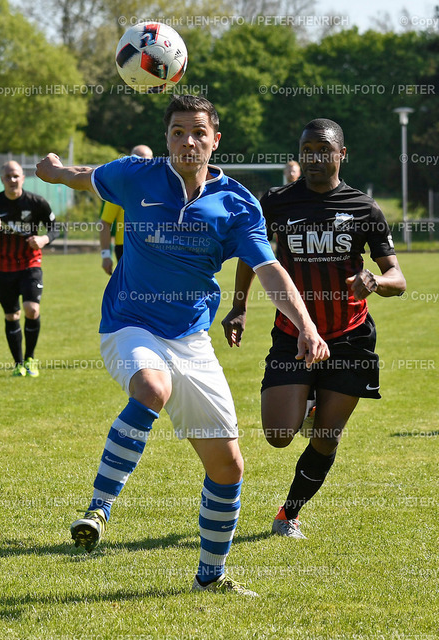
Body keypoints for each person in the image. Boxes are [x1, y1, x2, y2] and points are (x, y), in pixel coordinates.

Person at [36, 95, 329, 596]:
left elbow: (268, 270)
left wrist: (305, 323)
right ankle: (99, 508)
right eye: (177, 132)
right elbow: (88, 176)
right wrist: (57, 171)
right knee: (152, 386)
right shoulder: (138, 175)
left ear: (216, 140)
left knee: (228, 466)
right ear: (167, 138)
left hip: (192, 339)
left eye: (198, 132)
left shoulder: (236, 203)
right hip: (129, 325)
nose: (187, 141)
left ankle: (210, 578)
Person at [222, 118, 406, 539]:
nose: (314, 158)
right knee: (279, 435)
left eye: (324, 150)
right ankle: (306, 401)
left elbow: (398, 277)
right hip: (294, 334)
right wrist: (238, 308)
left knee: (325, 437)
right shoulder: (277, 202)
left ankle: (289, 514)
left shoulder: (364, 208)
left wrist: (375, 282)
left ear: (342, 155)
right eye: (307, 150)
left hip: (350, 337)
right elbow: (252, 257)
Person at [0, 161, 59, 377]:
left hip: (30, 263)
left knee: (32, 309)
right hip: (3, 267)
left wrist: (44, 239)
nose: (12, 180)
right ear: (2, 179)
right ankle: (18, 363)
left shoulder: (36, 203)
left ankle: (30, 359)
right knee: (12, 315)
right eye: (8, 176)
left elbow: (56, 228)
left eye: (16, 175)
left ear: (23, 178)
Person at [99, 144, 154, 275]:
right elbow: (105, 223)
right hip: (126, 248)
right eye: (137, 160)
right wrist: (106, 255)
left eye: (146, 160)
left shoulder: (160, 188)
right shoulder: (120, 188)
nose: (142, 164)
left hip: (154, 247)